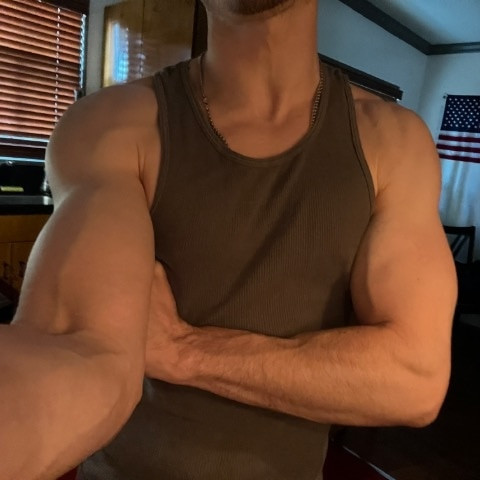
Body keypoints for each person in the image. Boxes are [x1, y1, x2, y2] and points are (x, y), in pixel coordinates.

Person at [1, 0, 457, 479]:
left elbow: (415, 381)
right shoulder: (109, 127)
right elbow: (78, 348)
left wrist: (185, 351)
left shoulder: (396, 142)